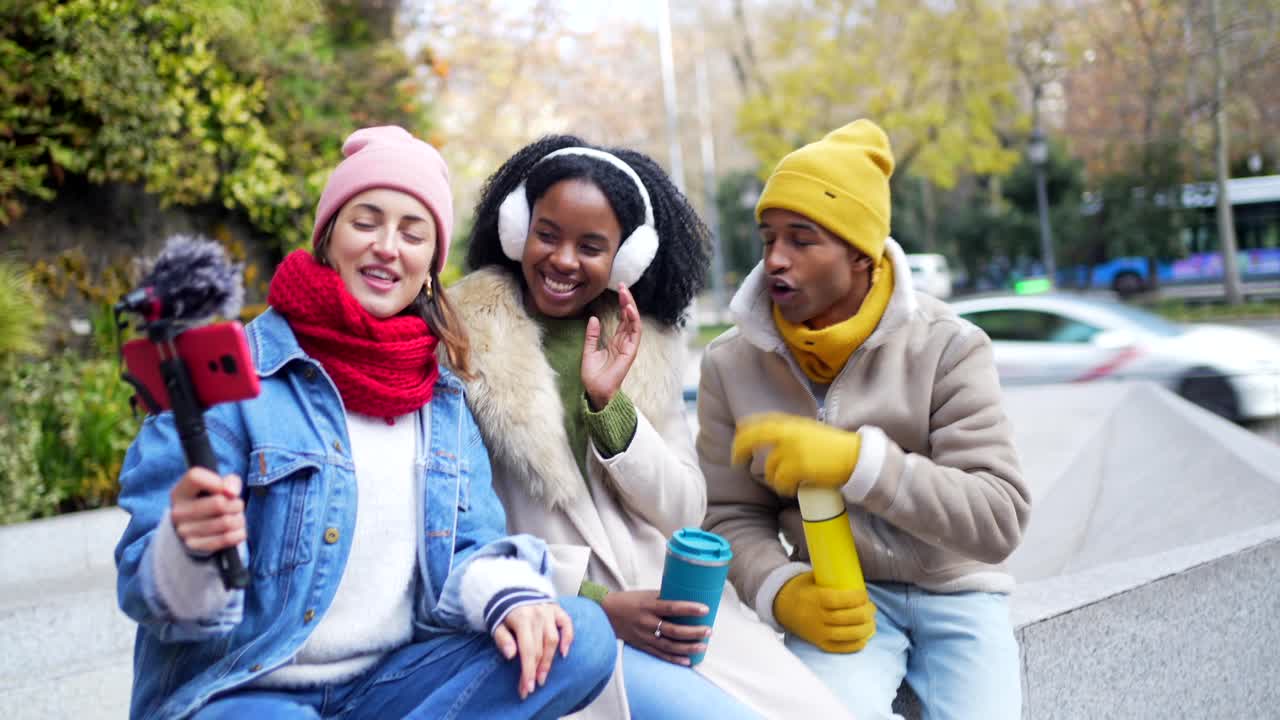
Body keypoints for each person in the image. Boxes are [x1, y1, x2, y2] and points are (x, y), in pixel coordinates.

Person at [113, 126, 616, 720]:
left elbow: (468, 546)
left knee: (578, 635)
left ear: (430, 265)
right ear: (328, 237)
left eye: (412, 233)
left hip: (388, 686)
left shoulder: (443, 397)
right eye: (365, 222)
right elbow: (148, 590)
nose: (387, 247)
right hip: (246, 691)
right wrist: (187, 547)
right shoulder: (231, 375)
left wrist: (511, 598)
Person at [448, 135, 854, 720]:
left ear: (627, 258)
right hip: (558, 622)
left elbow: (685, 508)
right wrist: (599, 604)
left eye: (591, 246)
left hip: (679, 613)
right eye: (547, 234)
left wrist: (610, 406)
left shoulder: (648, 344)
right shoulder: (459, 344)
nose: (564, 260)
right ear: (517, 229)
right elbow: (459, 533)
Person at [698, 119, 1031, 720]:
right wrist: (781, 590)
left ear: (859, 253)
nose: (775, 259)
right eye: (768, 238)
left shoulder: (950, 345)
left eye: (802, 240)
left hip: (960, 592)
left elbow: (998, 518)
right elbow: (728, 515)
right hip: (840, 600)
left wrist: (860, 464)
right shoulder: (728, 363)